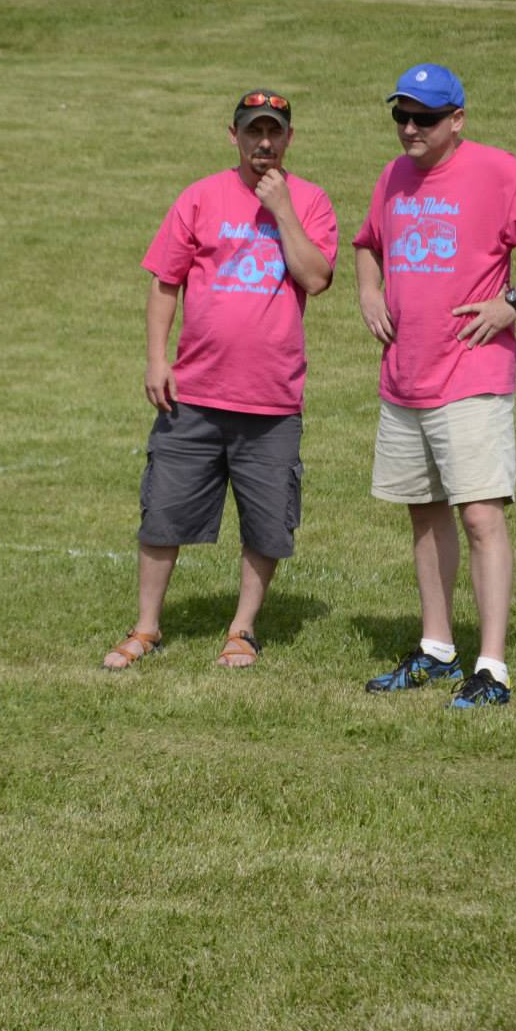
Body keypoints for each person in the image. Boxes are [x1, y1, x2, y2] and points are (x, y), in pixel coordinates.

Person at [353, 64, 516, 708]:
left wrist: (515, 302)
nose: (410, 128)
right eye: (401, 116)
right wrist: (369, 291)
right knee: (424, 511)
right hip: (405, 376)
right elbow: (367, 243)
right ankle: (437, 649)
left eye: (425, 118)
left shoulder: (495, 172)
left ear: (457, 120)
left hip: (470, 372)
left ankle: (492, 668)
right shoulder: (393, 175)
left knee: (481, 515)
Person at [103, 89, 338, 671]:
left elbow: (316, 278)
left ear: (290, 138)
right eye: (254, 131)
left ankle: (242, 630)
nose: (264, 142)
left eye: (275, 132)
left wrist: (282, 209)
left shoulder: (310, 201)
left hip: (271, 399)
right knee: (163, 511)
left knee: (266, 521)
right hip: (194, 394)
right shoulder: (200, 197)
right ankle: (146, 628)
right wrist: (156, 359)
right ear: (233, 135)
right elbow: (166, 281)